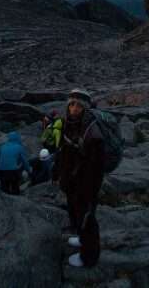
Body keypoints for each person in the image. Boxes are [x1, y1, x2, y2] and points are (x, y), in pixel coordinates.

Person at [56, 88, 104, 268]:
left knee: (87, 218)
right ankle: (82, 239)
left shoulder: (93, 131)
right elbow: (64, 151)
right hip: (71, 181)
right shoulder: (68, 123)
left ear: (85, 108)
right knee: (76, 214)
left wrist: (90, 190)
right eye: (71, 104)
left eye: (78, 105)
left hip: (86, 184)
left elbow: (96, 166)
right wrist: (59, 174)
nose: (74, 108)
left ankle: (89, 257)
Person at [0, 131, 31, 195]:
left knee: (4, 188)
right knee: (15, 186)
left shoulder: (3, 146)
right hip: (13, 171)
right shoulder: (19, 147)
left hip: (1, 171)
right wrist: (29, 171)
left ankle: (4, 198)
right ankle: (15, 194)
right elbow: (24, 161)